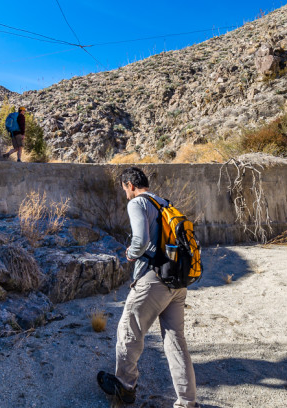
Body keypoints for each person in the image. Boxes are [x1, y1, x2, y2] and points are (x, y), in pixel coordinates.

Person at [97, 167, 197, 407]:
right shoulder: (164, 203)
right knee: (175, 341)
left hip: (153, 280)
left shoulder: (137, 203)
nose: (126, 195)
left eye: (125, 190)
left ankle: (125, 386)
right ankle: (187, 401)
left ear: (130, 185)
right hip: (177, 282)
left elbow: (140, 241)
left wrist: (131, 254)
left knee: (128, 331)